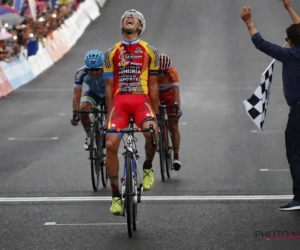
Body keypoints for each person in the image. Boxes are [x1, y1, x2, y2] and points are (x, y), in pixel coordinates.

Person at [240, 5, 300, 210]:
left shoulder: (291, 55)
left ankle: (299, 198)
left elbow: (261, 43)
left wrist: (249, 23)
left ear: (291, 41)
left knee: (295, 154)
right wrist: (288, 7)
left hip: (299, 112)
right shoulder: (292, 51)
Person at [103, 9, 160, 215]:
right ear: (122, 25)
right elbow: (109, 88)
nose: (129, 17)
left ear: (140, 27)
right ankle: (116, 195)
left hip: (141, 102)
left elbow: (153, 87)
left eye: (134, 17)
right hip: (119, 104)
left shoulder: (150, 51)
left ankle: (147, 166)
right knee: (110, 143)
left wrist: (156, 113)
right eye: (126, 16)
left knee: (152, 132)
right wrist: (110, 114)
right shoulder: (111, 53)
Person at [71, 50, 106, 150]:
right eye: (90, 70)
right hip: (93, 93)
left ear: (102, 67)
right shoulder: (80, 73)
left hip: (108, 94)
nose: (94, 73)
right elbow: (76, 96)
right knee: (83, 110)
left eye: (97, 70)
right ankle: (89, 136)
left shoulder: (109, 71)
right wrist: (76, 112)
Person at [158, 54, 182, 171]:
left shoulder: (172, 72)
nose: (162, 74)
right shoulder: (151, 72)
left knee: (174, 125)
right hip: (156, 95)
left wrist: (177, 107)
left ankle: (176, 157)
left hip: (169, 96)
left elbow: (176, 92)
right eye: (159, 72)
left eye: (164, 72)